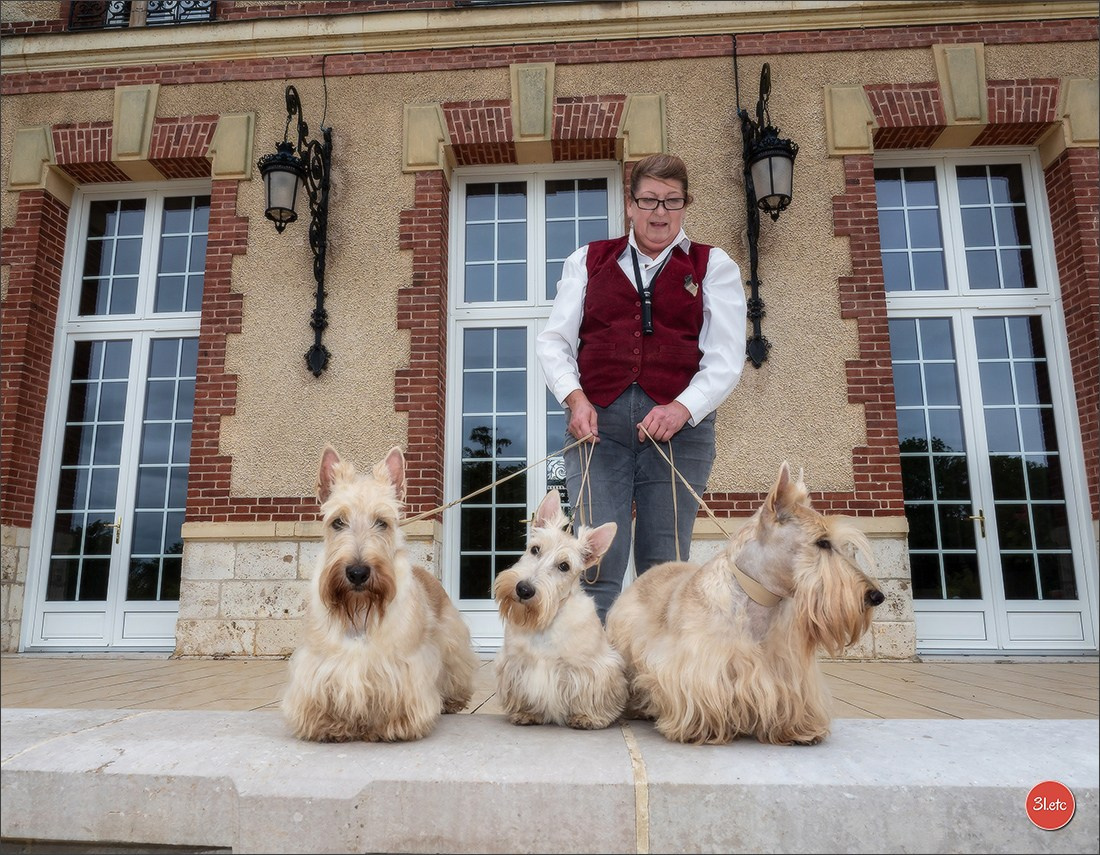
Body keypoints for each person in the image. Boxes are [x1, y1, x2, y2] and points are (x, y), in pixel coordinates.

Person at [536, 153, 748, 622]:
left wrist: (682, 408)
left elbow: (726, 357)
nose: (659, 212)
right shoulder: (586, 260)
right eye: (649, 200)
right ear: (630, 204)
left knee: (665, 564)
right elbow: (554, 342)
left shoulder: (713, 265)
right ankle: (594, 663)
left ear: (686, 204)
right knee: (596, 561)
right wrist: (575, 399)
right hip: (597, 430)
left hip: (680, 434)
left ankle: (658, 665)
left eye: (672, 201)